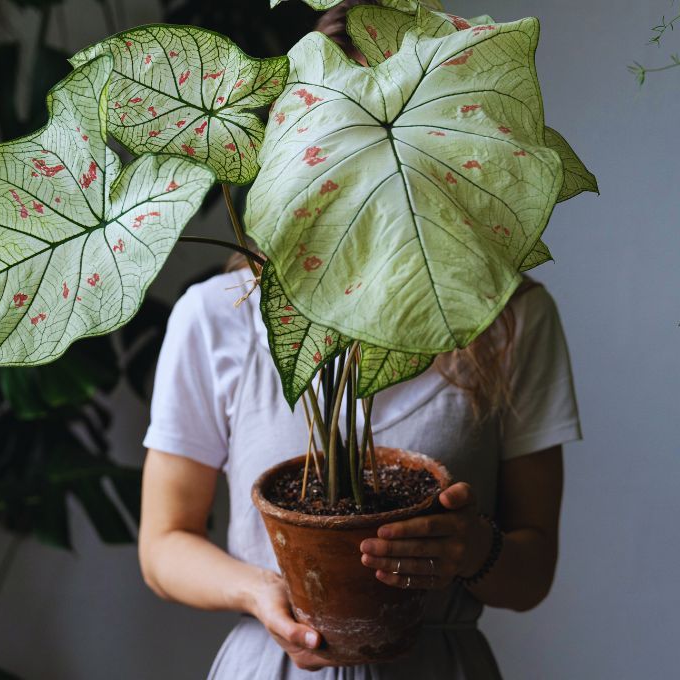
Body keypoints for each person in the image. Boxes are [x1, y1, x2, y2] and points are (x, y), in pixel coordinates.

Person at [139, 2, 581, 678]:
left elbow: (533, 570)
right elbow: (163, 543)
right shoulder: (219, 315)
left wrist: (472, 549)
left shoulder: (511, 318)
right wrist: (262, 592)